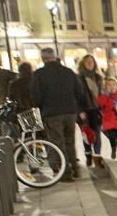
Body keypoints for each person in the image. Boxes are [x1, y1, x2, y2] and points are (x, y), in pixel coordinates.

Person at [31, 47, 87, 181]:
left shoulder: (39, 74)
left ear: (43, 58)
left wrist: (40, 107)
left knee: (57, 142)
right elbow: (79, 92)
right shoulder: (68, 72)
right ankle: (75, 169)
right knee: (70, 141)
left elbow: (35, 96)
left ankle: (66, 173)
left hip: (51, 113)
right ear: (55, 57)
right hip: (70, 112)